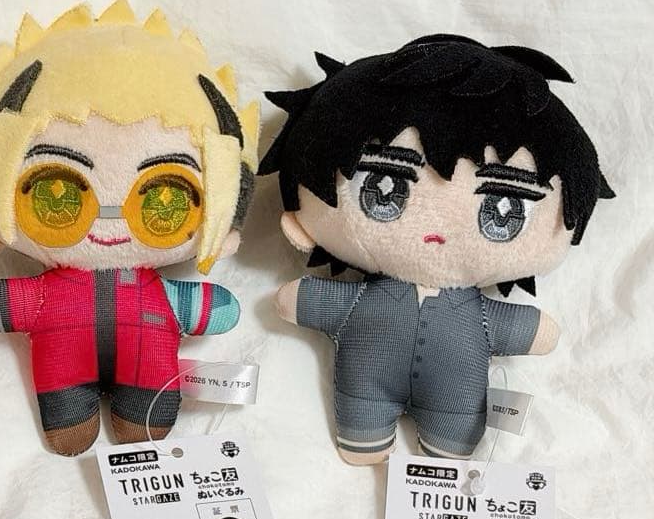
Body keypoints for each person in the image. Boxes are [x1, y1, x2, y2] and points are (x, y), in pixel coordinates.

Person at [260, 35, 613, 464]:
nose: (437, 230)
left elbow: (530, 331)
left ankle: (445, 449)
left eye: (502, 211)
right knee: (363, 435)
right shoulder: (438, 313)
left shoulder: (472, 316)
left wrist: (532, 328)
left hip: (457, 403)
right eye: (382, 190)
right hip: (363, 392)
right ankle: (365, 439)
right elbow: (304, 300)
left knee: (450, 455)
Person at [0, 0, 259, 455]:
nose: (111, 218)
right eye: (56, 194)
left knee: (145, 420)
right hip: (66, 367)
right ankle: (72, 415)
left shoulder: (144, 293)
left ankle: (139, 415)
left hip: (146, 368)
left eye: (164, 200)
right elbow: (0, 305)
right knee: (69, 423)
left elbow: (220, 310)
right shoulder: (60, 293)